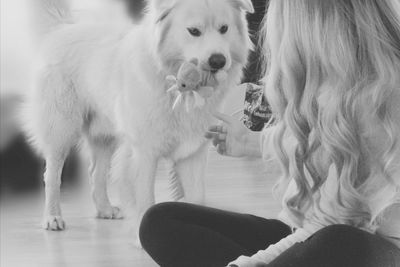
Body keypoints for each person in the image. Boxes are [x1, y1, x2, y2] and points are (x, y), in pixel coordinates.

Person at [138, 0, 400, 266]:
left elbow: (328, 225)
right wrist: (253, 143)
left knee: (337, 242)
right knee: (161, 222)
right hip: (311, 235)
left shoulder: (380, 99)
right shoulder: (333, 86)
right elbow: (319, 151)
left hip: (367, 250)